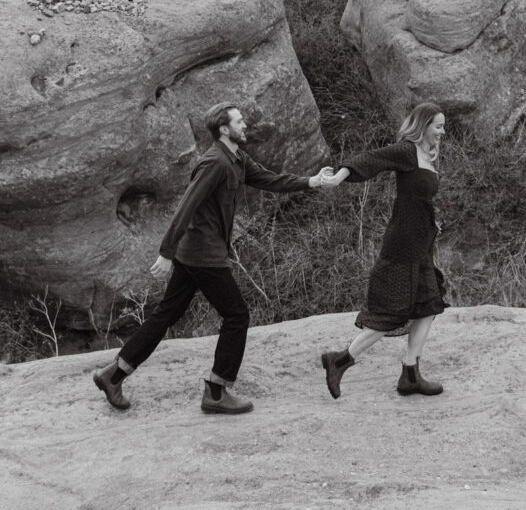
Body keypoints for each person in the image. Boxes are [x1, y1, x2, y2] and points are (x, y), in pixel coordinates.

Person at [94, 102, 329, 415]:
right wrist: (166, 252)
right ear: (223, 129)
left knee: (165, 315)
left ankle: (114, 374)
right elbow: (186, 205)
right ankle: (217, 391)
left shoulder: (236, 158)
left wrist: (309, 181)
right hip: (203, 254)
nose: (245, 125)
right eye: (239, 121)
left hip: (196, 253)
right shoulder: (215, 162)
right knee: (237, 315)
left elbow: (268, 179)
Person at [319, 102, 448, 399]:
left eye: (443, 127)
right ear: (423, 125)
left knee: (428, 306)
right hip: (402, 246)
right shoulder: (407, 150)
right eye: (438, 126)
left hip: (421, 246)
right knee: (391, 312)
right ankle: (339, 360)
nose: (442, 132)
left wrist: (431, 222)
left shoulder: (426, 158)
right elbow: (372, 159)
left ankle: (410, 374)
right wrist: (339, 177)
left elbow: (419, 201)